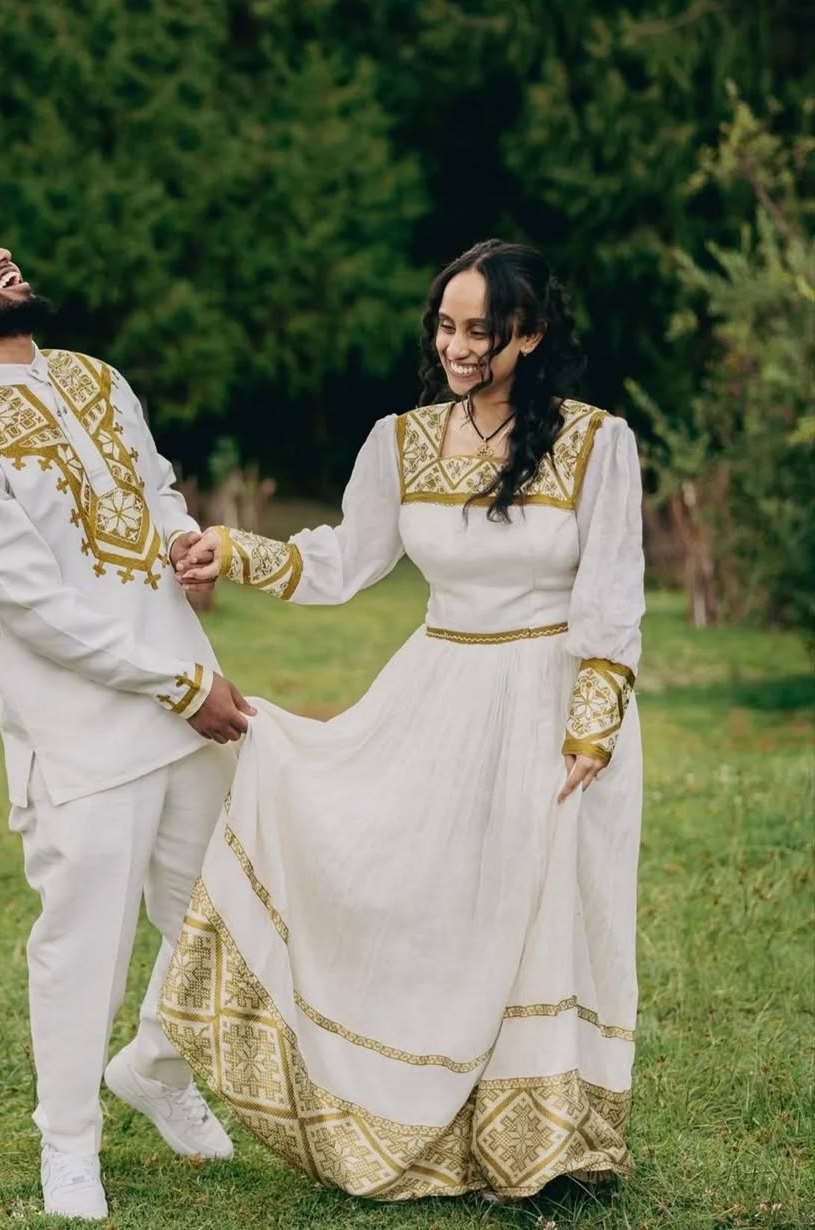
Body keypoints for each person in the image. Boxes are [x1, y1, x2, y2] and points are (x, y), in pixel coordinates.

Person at [164, 239, 645, 1203]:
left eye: (482, 329)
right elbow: (349, 560)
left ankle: (540, 1146)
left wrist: (590, 728)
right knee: (436, 903)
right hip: (435, 693)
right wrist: (234, 550)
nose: (459, 346)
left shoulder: (598, 441)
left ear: (532, 334)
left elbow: (612, 593)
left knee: (541, 908)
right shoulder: (401, 439)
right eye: (448, 325)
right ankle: (415, 1121)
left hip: (551, 707)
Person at [0, 227, 256, 1222]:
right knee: (80, 944)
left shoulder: (95, 375)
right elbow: (34, 608)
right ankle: (69, 1152)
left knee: (223, 924)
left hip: (192, 703)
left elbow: (154, 481)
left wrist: (187, 545)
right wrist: (178, 683)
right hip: (86, 732)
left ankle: (155, 1070)